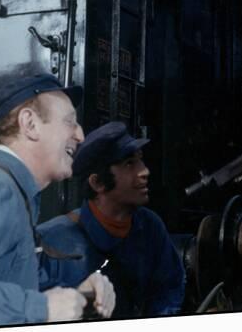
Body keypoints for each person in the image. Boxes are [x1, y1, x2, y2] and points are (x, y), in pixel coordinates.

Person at [0, 74, 116, 329]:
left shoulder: (14, 193)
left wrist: (79, 296)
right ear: (30, 124)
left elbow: (12, 285)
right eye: (70, 122)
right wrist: (40, 309)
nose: (80, 135)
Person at [37, 122, 185, 317]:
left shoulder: (150, 227)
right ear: (97, 183)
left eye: (141, 160)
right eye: (130, 164)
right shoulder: (51, 242)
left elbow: (170, 288)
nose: (145, 171)